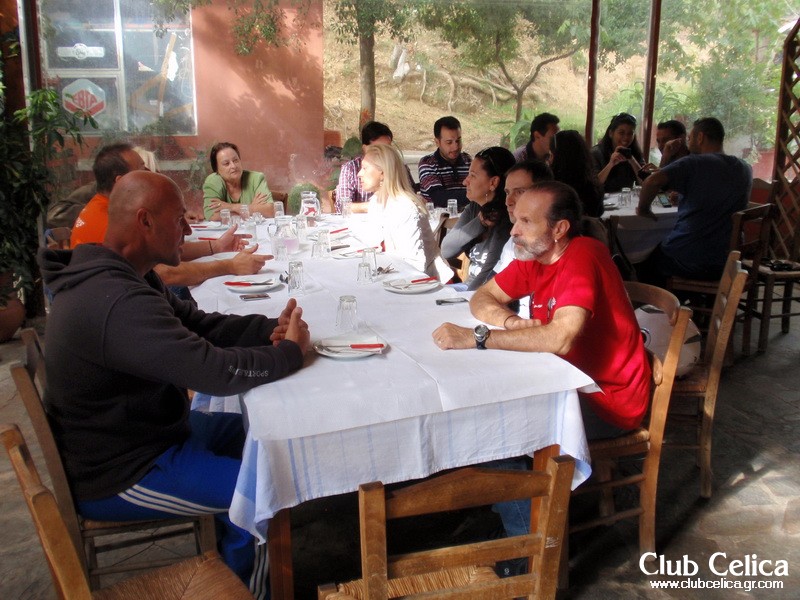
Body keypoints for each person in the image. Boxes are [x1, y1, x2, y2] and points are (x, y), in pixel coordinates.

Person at [38, 170, 310, 596]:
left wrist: (268, 328)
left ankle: (232, 553)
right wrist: (289, 354)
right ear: (145, 221)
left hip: (154, 432)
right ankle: (249, 589)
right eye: (179, 218)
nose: (187, 229)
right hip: (125, 471)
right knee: (264, 495)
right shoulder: (114, 301)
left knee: (268, 433)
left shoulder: (128, 276)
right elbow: (213, 372)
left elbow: (198, 325)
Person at [435, 180, 650, 437]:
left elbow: (561, 339)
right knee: (476, 402)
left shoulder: (583, 255)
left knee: (487, 423)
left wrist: (477, 338)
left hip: (604, 400)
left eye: (526, 221)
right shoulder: (536, 256)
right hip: (558, 379)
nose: (513, 231)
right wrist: (511, 322)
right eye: (516, 220)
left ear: (559, 229)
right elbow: (482, 297)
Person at [70, 142, 268, 288]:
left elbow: (162, 248)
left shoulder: (108, 208)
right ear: (122, 182)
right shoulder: (112, 223)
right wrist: (230, 265)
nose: (151, 172)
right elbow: (165, 274)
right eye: (142, 169)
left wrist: (215, 246)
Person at [635, 117, 752, 286]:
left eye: (690, 138)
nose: (688, 143)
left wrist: (644, 209)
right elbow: (714, 195)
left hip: (690, 260)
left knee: (643, 261)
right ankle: (696, 298)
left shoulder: (694, 162)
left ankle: (667, 300)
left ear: (700, 137)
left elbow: (651, 181)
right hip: (727, 261)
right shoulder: (745, 168)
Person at [359, 144, 453, 281]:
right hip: (395, 276)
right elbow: (373, 244)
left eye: (365, 168)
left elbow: (415, 265)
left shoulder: (404, 207)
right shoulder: (376, 202)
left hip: (427, 282)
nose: (359, 174)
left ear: (383, 173)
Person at [440, 146, 516, 290]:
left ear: (493, 183)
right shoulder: (474, 208)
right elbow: (447, 250)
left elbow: (489, 274)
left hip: (483, 292)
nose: (465, 181)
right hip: (468, 287)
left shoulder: (506, 218)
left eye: (473, 176)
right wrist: (480, 222)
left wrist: (466, 298)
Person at [335, 121, 413, 214]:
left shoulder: (399, 167)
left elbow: (411, 197)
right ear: (364, 148)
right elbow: (342, 206)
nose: (384, 153)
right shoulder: (351, 168)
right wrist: (376, 206)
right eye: (378, 148)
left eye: (388, 148)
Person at [203, 142, 274, 220]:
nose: (233, 166)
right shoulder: (213, 181)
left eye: (235, 160)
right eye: (226, 163)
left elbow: (270, 211)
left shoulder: (256, 178)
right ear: (216, 169)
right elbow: (212, 215)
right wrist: (251, 208)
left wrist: (230, 207)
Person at [417, 116, 472, 210]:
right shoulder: (427, 164)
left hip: (466, 216)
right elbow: (439, 197)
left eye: (458, 140)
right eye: (449, 142)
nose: (456, 147)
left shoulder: (468, 161)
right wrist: (476, 194)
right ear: (437, 142)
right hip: (439, 218)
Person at [549, 129, 604, 217]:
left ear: (556, 156)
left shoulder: (553, 185)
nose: (549, 159)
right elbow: (599, 212)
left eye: (550, 155)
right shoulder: (591, 185)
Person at [591, 112, 646, 193]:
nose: (626, 138)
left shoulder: (635, 152)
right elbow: (594, 185)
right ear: (611, 133)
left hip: (625, 198)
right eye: (621, 133)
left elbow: (645, 183)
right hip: (602, 199)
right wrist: (611, 164)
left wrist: (632, 160)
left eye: (630, 134)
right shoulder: (596, 153)